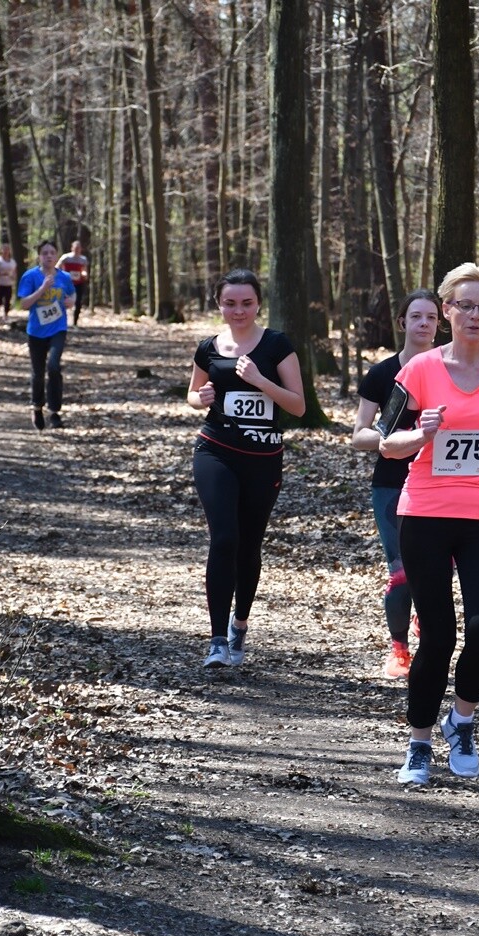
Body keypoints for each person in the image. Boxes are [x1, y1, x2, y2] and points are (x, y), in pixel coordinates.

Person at [380, 263, 479, 785]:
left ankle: (460, 721)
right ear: (446, 310)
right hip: (425, 510)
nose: (474, 315)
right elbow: (385, 442)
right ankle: (419, 743)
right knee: (438, 636)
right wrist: (420, 436)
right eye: (464, 305)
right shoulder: (419, 369)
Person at [187, 267, 305, 668]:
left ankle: (240, 624)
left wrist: (260, 380)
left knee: (249, 545)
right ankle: (217, 639)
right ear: (219, 304)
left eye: (247, 303)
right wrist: (199, 398)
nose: (238, 311)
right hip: (215, 450)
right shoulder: (208, 347)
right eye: (230, 303)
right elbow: (192, 393)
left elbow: (298, 405)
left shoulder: (276, 345)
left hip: (263, 456)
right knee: (224, 538)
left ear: (258, 304)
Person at [352, 290, 440, 679]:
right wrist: (392, 439)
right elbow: (359, 436)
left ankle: (424, 618)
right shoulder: (382, 373)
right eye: (416, 317)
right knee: (401, 570)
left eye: (432, 318)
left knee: (435, 569)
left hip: (445, 482)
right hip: (391, 483)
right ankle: (399, 649)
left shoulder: (452, 368)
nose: (424, 324)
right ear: (402, 323)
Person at [17, 240, 76, 430]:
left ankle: (55, 412)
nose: (49, 256)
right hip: (36, 332)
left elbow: (72, 295)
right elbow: (24, 304)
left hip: (58, 329)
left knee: (53, 366)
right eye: (45, 253)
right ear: (39, 256)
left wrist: (70, 302)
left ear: (57, 255)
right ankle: (36, 407)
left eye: (52, 252)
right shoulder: (30, 276)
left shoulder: (65, 277)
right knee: (38, 373)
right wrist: (42, 288)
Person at [56, 240, 88, 327]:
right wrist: (61, 275)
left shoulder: (83, 259)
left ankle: (75, 322)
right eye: (75, 248)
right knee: (62, 300)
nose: (77, 250)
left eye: (79, 248)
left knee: (78, 302)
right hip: (66, 283)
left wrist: (84, 274)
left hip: (78, 283)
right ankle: (60, 320)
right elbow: (57, 267)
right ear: (72, 248)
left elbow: (84, 270)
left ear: (81, 249)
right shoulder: (66, 257)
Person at [0, 243, 17, 319]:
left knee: (7, 300)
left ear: (9, 251)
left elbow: (15, 273)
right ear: (1, 251)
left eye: (7, 249)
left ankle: (6, 315)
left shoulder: (13, 262)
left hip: (8, 284)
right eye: (4, 249)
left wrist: (13, 277)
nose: (6, 251)